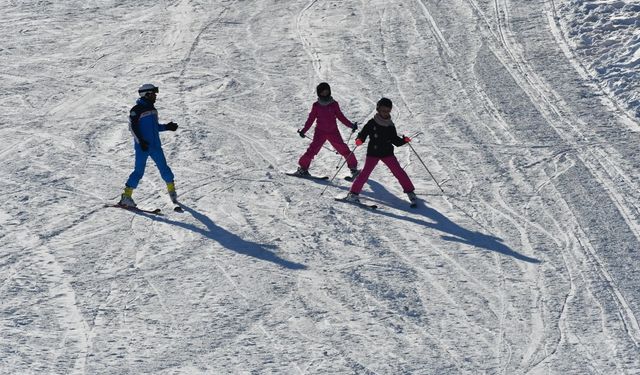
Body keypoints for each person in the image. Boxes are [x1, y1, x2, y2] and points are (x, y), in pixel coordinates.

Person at [345, 97, 417, 203]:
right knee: (365, 173)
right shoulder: (372, 122)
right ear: (378, 109)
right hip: (373, 153)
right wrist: (359, 140)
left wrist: (404, 141)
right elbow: (363, 133)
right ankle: (353, 193)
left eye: (388, 111)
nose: (385, 113)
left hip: (387, 152)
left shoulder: (390, 125)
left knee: (398, 171)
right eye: (383, 110)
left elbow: (395, 140)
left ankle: (410, 191)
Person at [118, 83, 179, 207]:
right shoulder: (136, 110)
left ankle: (172, 192)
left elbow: (154, 127)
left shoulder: (153, 110)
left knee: (165, 169)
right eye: (153, 94)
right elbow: (132, 128)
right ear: (146, 94)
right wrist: (141, 142)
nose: (155, 96)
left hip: (156, 146)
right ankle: (126, 196)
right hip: (143, 147)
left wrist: (167, 127)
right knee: (138, 172)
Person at [295, 82, 359, 178]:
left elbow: (341, 117)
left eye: (326, 91)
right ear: (319, 93)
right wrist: (304, 130)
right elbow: (311, 119)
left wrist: (351, 125)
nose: (325, 93)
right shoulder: (316, 105)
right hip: (320, 132)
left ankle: (353, 169)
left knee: (343, 149)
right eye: (322, 92)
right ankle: (303, 169)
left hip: (333, 132)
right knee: (312, 150)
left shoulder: (334, 104)